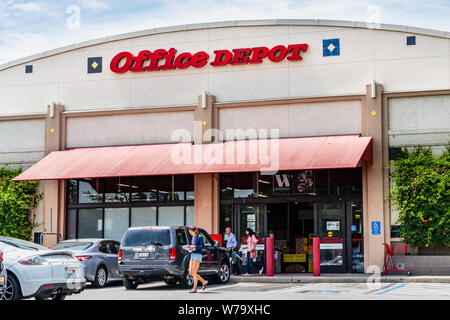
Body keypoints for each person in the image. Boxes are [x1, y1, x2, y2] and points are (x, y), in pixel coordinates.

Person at [187, 226, 208, 293]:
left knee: (194, 272)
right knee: (190, 272)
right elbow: (193, 246)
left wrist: (195, 247)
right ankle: (204, 281)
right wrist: (189, 248)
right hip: (192, 255)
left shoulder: (200, 237)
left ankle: (194, 288)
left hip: (197, 255)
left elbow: (202, 246)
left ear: (193, 231)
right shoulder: (193, 237)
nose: (189, 233)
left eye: (190, 231)